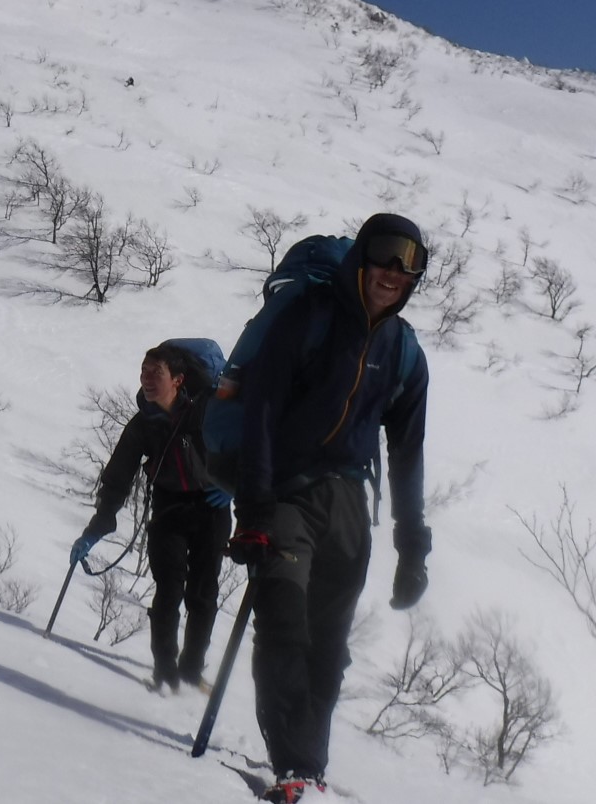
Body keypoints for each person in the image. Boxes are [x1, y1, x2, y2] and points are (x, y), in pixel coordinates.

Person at [227, 213, 432, 804]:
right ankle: (293, 762)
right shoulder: (309, 317)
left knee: (329, 644)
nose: (396, 271)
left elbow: (408, 453)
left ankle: (309, 767)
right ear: (363, 256)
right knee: (285, 618)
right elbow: (262, 410)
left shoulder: (404, 352)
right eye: (388, 254)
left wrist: (411, 545)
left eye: (411, 261)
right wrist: (256, 506)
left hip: (348, 504)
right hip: (286, 490)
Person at [70, 343, 231, 692]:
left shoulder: (209, 411)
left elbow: (245, 447)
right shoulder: (145, 423)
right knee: (168, 590)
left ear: (178, 379)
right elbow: (118, 477)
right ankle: (164, 671)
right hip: (169, 507)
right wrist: (98, 526)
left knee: (203, 594)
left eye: (154, 373)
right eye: (143, 372)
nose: (146, 380)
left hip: (211, 508)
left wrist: (234, 487)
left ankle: (190, 669)